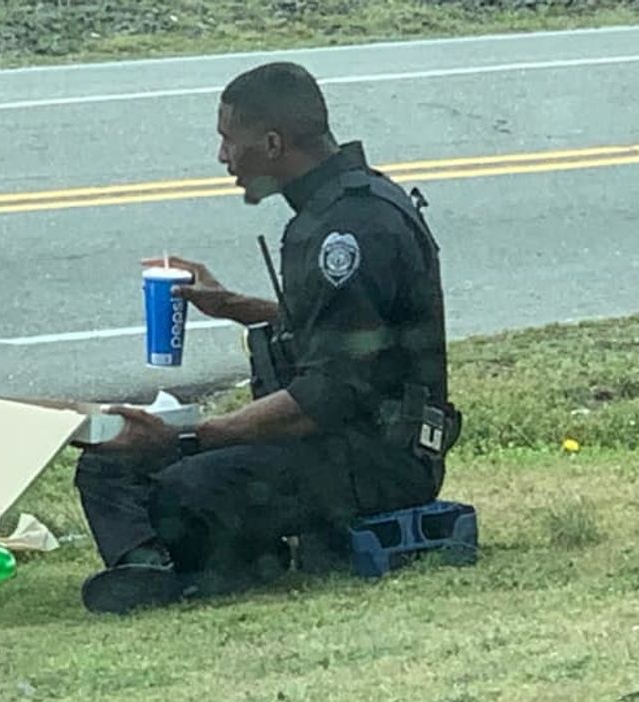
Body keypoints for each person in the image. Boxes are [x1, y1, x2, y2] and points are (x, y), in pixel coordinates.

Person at [74, 62, 462, 614]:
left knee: (181, 488)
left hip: (378, 455)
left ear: (273, 143)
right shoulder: (334, 209)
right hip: (333, 441)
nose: (222, 157)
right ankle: (149, 567)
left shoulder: (350, 229)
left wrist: (189, 437)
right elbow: (344, 332)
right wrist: (230, 305)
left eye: (229, 140)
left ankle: (212, 563)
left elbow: (327, 395)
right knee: (109, 461)